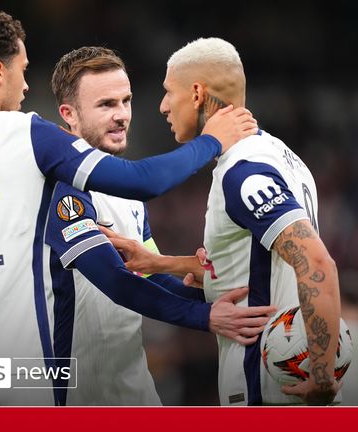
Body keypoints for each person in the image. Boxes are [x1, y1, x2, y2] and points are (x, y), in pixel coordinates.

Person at [0, 9, 260, 406]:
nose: (24, 84)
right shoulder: (29, 137)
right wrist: (211, 140)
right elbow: (143, 185)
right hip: (23, 374)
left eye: (126, 101)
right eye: (23, 67)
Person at [106, 37, 342, 406]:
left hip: (269, 391)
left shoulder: (244, 173)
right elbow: (257, 268)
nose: (163, 106)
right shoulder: (280, 155)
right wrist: (158, 262)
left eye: (169, 92)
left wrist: (324, 378)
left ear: (197, 93)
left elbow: (316, 263)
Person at [45, 46, 223, 405]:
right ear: (69, 115)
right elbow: (117, 282)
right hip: (73, 396)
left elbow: (148, 272)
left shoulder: (127, 193)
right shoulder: (60, 188)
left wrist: (219, 297)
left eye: (125, 101)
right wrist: (205, 317)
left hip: (132, 387)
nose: (122, 115)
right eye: (106, 105)